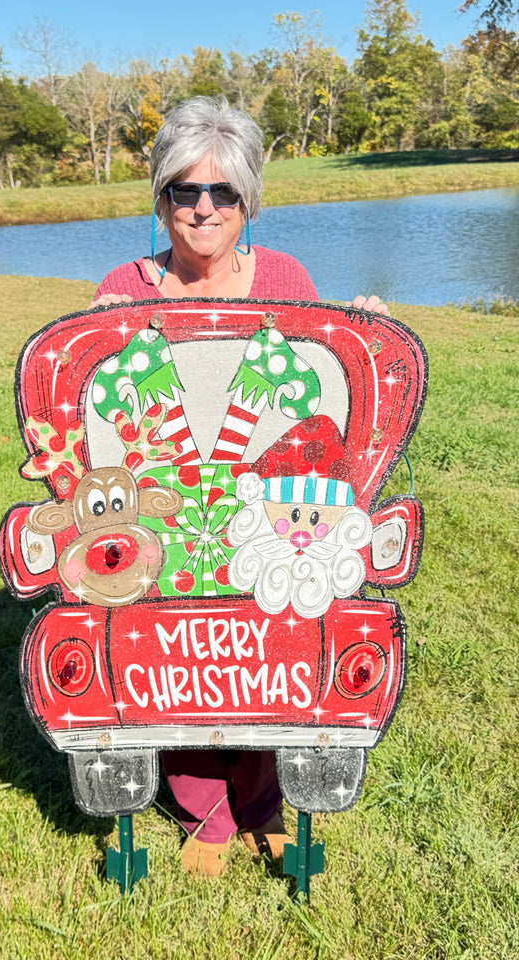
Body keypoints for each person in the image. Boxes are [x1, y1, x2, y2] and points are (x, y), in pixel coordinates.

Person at [92, 95, 386, 877]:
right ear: (161, 197)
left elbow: (321, 399)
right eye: (185, 190)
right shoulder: (123, 281)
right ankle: (204, 813)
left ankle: (262, 802)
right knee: (174, 648)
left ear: (248, 199)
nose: (203, 209)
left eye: (222, 192)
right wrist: (100, 334)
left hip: (265, 507)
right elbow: (96, 420)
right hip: (169, 508)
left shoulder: (286, 277)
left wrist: (358, 332)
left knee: (268, 643)